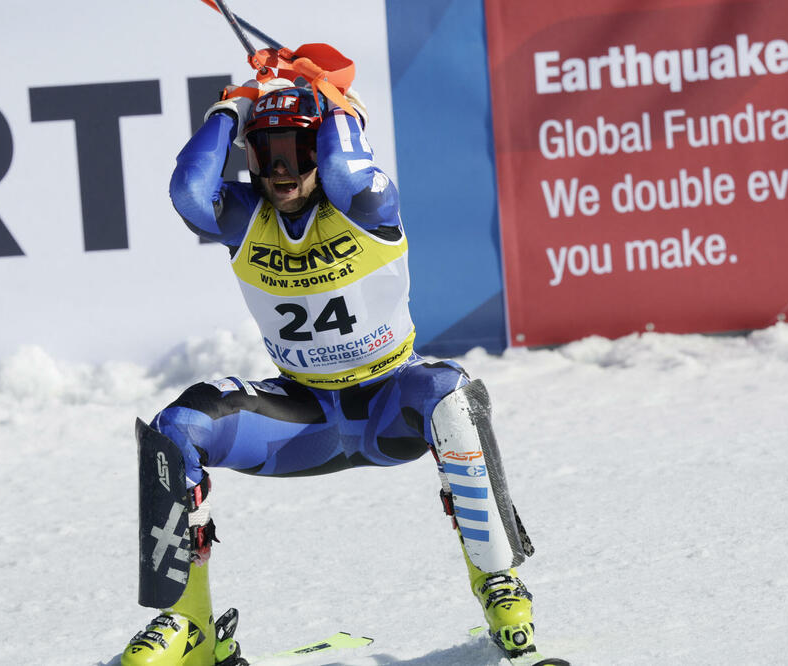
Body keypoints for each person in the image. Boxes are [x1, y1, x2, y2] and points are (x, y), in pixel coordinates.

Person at [121, 77, 536, 666]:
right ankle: (190, 628)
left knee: (451, 393)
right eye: (267, 153)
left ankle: (499, 584)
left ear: (323, 150)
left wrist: (333, 99)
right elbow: (190, 188)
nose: (282, 170)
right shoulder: (244, 215)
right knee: (178, 426)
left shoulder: (367, 203)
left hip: (390, 405)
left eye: (297, 151)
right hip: (305, 417)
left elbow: (344, 168)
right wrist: (230, 109)